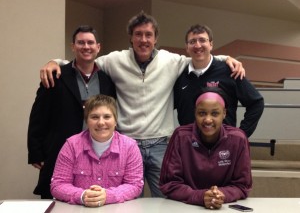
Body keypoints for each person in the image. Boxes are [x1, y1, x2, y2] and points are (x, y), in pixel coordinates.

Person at [39, 11, 245, 197]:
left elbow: (200, 57)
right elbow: (85, 61)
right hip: (127, 144)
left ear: (156, 38)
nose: (143, 39)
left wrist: (226, 58)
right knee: (126, 200)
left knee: (166, 200)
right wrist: (55, 62)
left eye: (148, 35)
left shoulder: (171, 61)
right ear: (131, 37)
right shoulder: (114, 60)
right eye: (138, 34)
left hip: (161, 145)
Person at [27, 25, 116, 199]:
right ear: (73, 46)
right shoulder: (55, 76)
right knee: (57, 198)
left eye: (90, 42)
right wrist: (36, 152)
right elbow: (38, 115)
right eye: (80, 42)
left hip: (96, 154)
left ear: (98, 47)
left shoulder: (107, 80)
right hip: (60, 150)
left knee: (93, 198)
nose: (86, 46)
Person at [160, 87, 252, 209]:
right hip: (186, 207)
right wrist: (200, 196)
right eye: (202, 113)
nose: (208, 120)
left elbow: (242, 185)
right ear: (195, 112)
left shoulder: (238, 139)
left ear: (224, 113)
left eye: (215, 113)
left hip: (223, 207)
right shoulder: (180, 137)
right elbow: (169, 184)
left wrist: (219, 195)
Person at [51, 94, 143, 206]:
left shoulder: (130, 147)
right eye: (94, 117)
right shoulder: (71, 145)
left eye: (107, 117)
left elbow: (135, 185)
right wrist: (82, 195)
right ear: (87, 121)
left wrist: (107, 196)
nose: (101, 123)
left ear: (115, 121)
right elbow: (58, 185)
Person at [174, 24, 264, 137]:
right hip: (189, 146)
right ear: (187, 47)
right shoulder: (179, 75)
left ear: (211, 44)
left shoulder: (230, 70)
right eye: (192, 42)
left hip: (223, 146)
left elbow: (256, 103)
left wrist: (241, 135)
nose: (197, 45)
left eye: (202, 40)